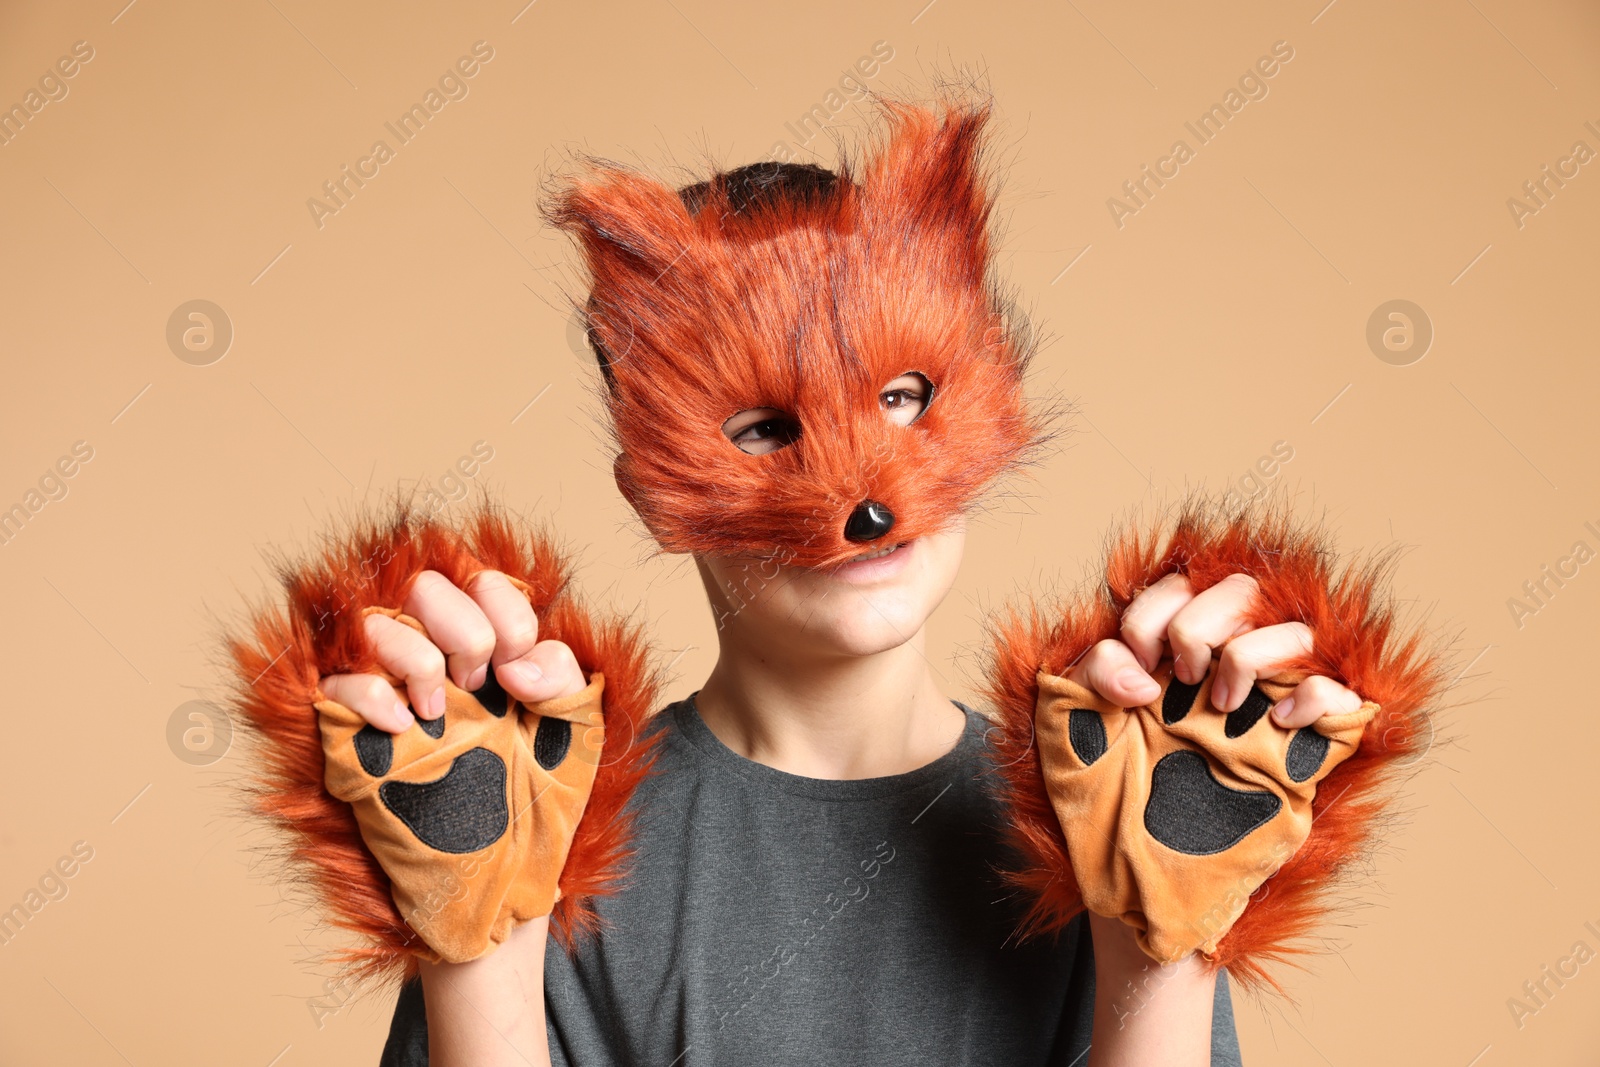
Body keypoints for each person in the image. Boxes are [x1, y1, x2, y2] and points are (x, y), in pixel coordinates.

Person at [255, 97, 1389, 1067]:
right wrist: (482, 951)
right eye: (762, 427)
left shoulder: (1132, 809)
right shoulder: (520, 816)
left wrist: (1160, 949)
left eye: (900, 395)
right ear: (651, 484)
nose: (863, 490)